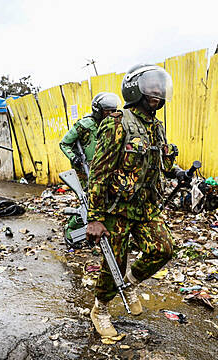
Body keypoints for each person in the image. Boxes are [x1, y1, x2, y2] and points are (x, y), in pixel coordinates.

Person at [86, 64, 188, 337]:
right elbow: (99, 172)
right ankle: (101, 309)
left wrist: (178, 172)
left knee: (164, 249)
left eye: (159, 86)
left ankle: (129, 285)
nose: (157, 91)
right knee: (114, 263)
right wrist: (95, 218)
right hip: (117, 209)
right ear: (135, 88)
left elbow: (161, 164)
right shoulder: (117, 122)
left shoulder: (157, 127)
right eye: (150, 86)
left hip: (147, 207)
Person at [60, 92, 121, 244]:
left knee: (104, 203)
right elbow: (64, 143)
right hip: (84, 170)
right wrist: (73, 157)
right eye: (108, 110)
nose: (111, 114)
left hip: (104, 170)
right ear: (98, 110)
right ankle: (70, 230)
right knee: (87, 203)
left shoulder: (114, 125)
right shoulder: (85, 125)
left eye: (113, 110)